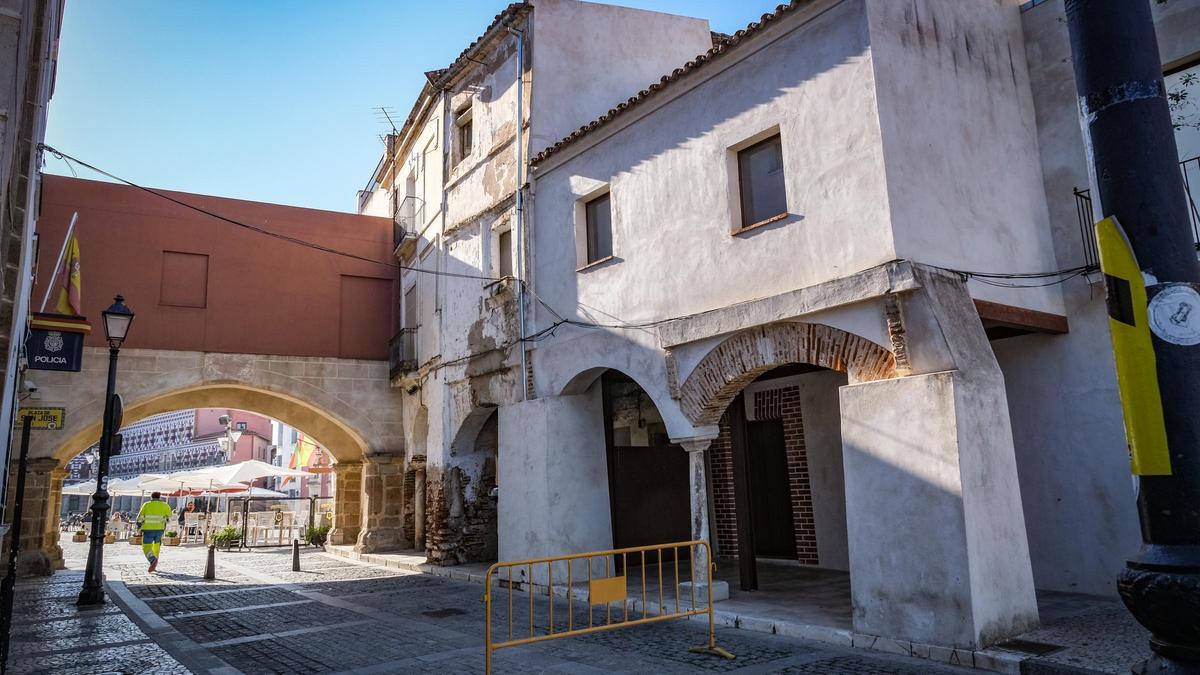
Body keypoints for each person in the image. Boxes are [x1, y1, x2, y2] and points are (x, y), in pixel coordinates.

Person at [136, 491, 172, 572]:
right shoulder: (165, 505)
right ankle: (155, 562)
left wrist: (138, 526)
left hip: (148, 529)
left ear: (151, 497)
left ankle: (152, 560)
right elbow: (169, 518)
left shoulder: (147, 504)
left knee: (146, 547)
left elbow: (140, 517)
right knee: (156, 546)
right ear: (159, 497)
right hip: (160, 529)